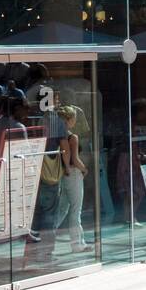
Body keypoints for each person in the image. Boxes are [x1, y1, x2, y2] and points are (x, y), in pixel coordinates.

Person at [54, 105, 92, 253]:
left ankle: (46, 237)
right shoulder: (72, 137)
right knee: (76, 210)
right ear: (69, 119)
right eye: (74, 117)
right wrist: (84, 169)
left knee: (62, 209)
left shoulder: (57, 136)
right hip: (73, 174)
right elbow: (75, 159)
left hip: (61, 174)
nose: (76, 120)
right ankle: (77, 244)